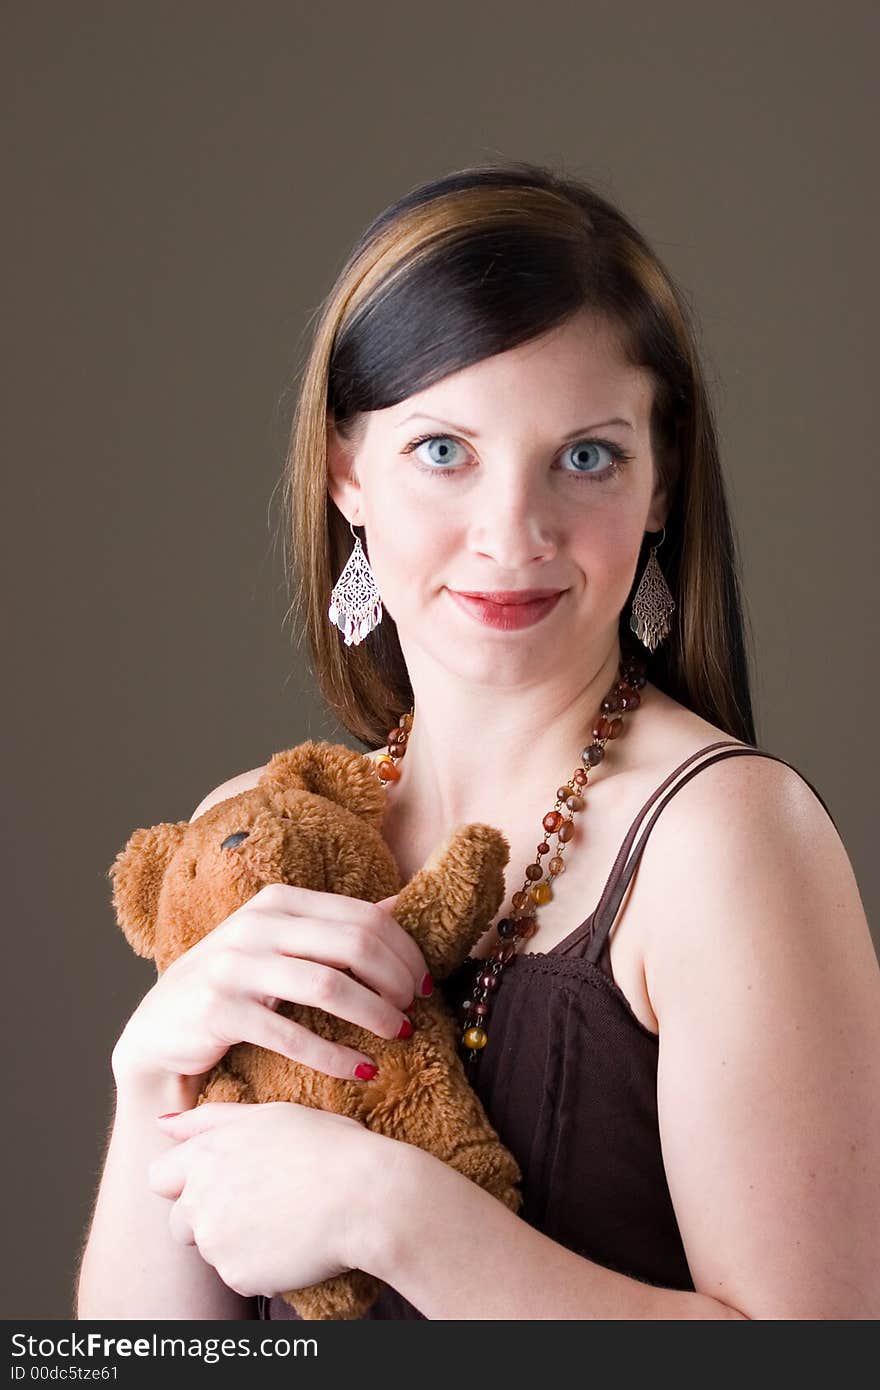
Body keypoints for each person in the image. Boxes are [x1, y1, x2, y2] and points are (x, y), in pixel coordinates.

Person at [76, 160, 880, 1321]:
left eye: (587, 456)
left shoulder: (729, 839)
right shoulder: (252, 823)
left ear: (661, 486)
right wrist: (148, 1075)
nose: (513, 533)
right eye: (443, 451)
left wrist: (395, 1216)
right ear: (348, 471)